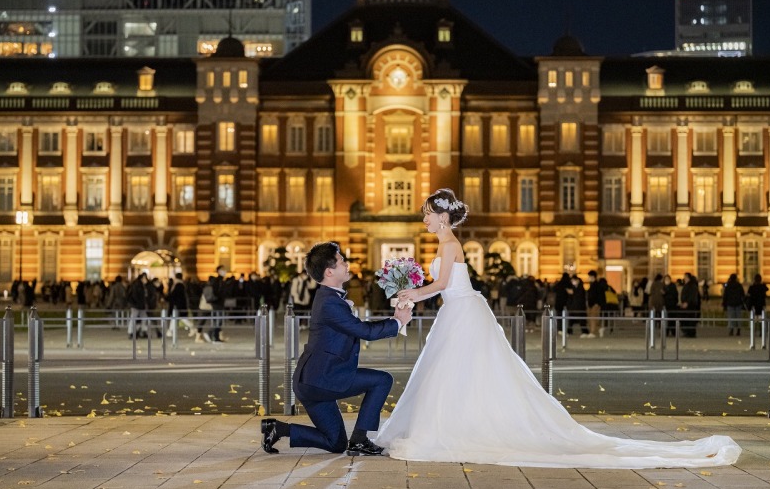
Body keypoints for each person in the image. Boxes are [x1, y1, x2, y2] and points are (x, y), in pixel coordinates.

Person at [375, 188, 740, 468]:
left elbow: (440, 285)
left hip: (462, 313)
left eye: (427, 215)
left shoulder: (451, 243)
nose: (424, 220)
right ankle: (451, 424)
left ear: (442, 217)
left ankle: (453, 427)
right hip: (458, 312)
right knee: (457, 374)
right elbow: (442, 284)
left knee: (459, 372)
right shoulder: (445, 242)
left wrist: (411, 291)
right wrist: (412, 292)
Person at [260, 242, 412, 456]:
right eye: (342, 261)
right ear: (329, 271)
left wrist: (394, 318)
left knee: (336, 443)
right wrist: (397, 322)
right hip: (323, 380)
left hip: (314, 381)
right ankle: (359, 439)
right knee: (382, 380)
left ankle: (277, 428)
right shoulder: (329, 302)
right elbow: (363, 331)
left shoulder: (330, 298)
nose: (346, 264)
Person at [585, 270, 606, 337]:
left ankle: (593, 332)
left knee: (593, 318)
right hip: (591, 304)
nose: (588, 278)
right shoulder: (592, 285)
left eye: (589, 277)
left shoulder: (597, 285)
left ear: (593, 277)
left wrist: (597, 303)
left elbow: (599, 295)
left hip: (595, 304)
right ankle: (599, 329)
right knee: (592, 318)